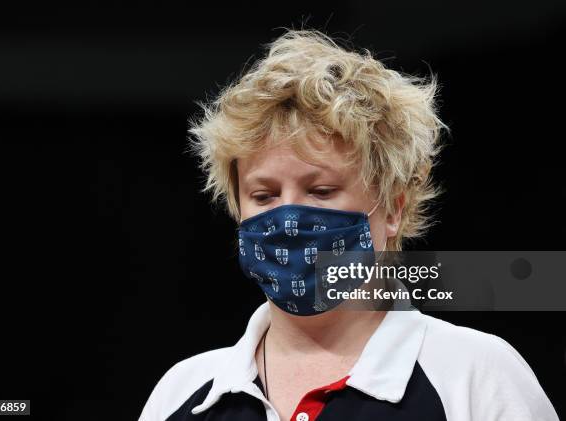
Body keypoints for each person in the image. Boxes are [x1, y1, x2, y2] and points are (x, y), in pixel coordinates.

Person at [139, 29, 559, 421]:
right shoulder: (183, 393)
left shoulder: (476, 377)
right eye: (264, 196)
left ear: (393, 208)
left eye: (321, 191)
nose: (289, 219)